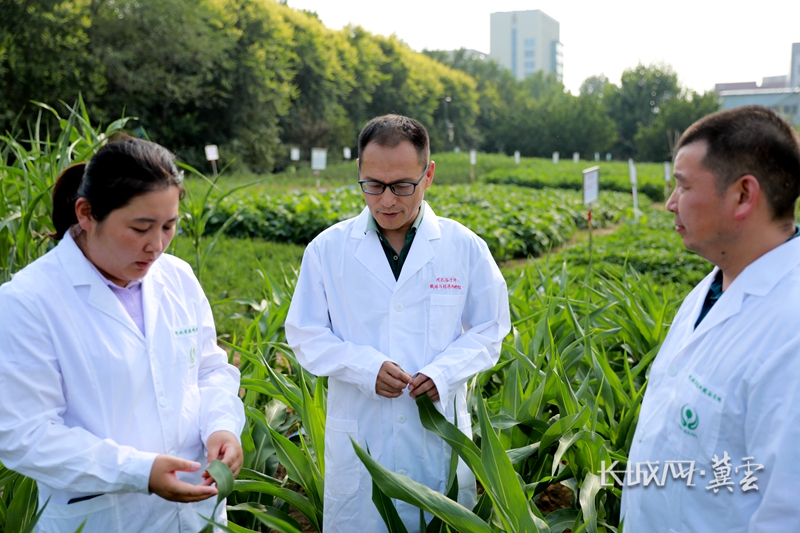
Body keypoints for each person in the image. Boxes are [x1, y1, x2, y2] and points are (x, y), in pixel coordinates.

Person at [0, 137, 245, 532]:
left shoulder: (177, 277)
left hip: (197, 512)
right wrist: (138, 471)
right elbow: (26, 434)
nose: (156, 246)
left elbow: (208, 371)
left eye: (169, 226)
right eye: (140, 228)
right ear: (86, 213)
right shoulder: (29, 301)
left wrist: (222, 426)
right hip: (104, 517)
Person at [284, 114, 510, 532]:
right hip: (361, 438)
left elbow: (491, 328)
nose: (387, 200)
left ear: (429, 175)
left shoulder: (464, 248)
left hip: (437, 435)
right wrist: (364, 368)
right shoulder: (327, 250)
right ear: (359, 172)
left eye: (403, 186)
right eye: (373, 185)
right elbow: (305, 334)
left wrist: (444, 373)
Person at [621, 106, 800, 531]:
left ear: (743, 195)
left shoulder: (790, 333)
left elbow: (786, 514)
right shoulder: (715, 285)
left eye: (683, 186)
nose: (670, 204)